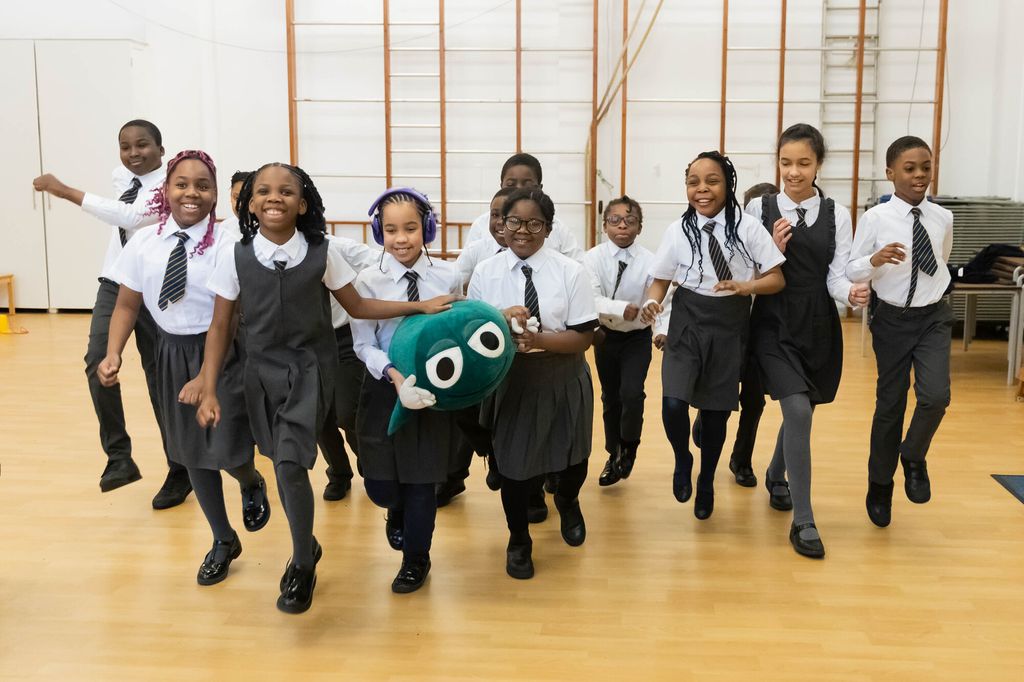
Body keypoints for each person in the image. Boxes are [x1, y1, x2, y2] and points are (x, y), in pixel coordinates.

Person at [847, 136, 954, 529]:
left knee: (935, 397)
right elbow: (853, 270)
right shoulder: (875, 219)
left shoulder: (943, 218)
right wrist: (874, 260)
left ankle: (913, 454)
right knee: (890, 404)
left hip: (933, 317)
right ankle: (879, 485)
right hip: (891, 321)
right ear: (891, 173)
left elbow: (939, 262)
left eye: (926, 166)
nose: (920, 175)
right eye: (910, 168)